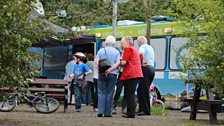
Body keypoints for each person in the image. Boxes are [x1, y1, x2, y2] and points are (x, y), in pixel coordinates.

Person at [95, 35, 120, 117]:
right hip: (112, 74)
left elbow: (96, 61)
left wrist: (102, 69)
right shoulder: (116, 52)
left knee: (101, 92)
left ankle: (100, 111)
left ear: (106, 42)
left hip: (102, 74)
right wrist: (110, 70)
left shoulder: (101, 51)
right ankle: (108, 113)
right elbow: (117, 63)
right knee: (110, 92)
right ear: (113, 43)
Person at [119, 36, 143, 118]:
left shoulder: (128, 49)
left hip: (131, 74)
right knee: (130, 93)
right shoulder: (134, 49)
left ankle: (131, 113)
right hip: (136, 73)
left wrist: (118, 61)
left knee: (129, 94)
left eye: (123, 42)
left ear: (127, 42)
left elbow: (123, 63)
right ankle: (130, 112)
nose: (122, 44)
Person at [136, 36, 155, 116]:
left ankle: (145, 110)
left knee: (143, 90)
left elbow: (140, 54)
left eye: (137, 42)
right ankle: (141, 109)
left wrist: (141, 62)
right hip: (151, 69)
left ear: (140, 42)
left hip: (145, 69)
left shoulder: (142, 47)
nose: (137, 43)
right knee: (140, 89)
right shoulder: (150, 47)